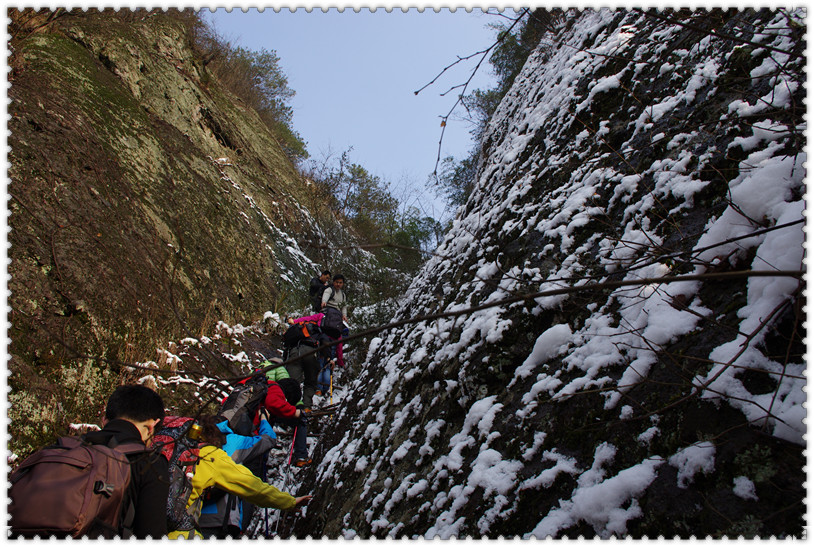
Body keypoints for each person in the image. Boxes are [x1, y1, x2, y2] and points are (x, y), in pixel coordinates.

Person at [170, 415, 311, 539]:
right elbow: (252, 485)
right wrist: (288, 502)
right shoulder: (219, 449)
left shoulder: (175, 450)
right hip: (219, 521)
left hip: (175, 522)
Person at [83, 384, 170, 539]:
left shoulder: (63, 448)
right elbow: (152, 534)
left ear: (104, 421)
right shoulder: (149, 462)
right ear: (151, 426)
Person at [198, 412, 277, 538]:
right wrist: (264, 419)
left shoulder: (193, 443)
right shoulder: (233, 441)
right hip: (222, 520)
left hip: (192, 516)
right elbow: (268, 439)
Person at [261, 377, 312, 467]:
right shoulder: (276, 390)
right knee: (300, 421)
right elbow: (272, 403)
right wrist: (294, 412)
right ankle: (301, 456)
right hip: (248, 430)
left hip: (242, 423)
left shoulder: (265, 386)